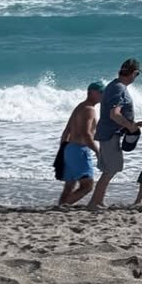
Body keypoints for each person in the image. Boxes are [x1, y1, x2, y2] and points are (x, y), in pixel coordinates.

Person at [88, 60, 140, 210]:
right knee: (111, 169)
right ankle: (94, 202)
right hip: (110, 134)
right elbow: (114, 114)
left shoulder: (115, 86)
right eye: (137, 74)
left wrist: (133, 124)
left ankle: (98, 201)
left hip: (110, 133)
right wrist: (130, 126)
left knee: (110, 169)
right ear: (133, 73)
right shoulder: (118, 88)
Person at [57, 83, 103, 208]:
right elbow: (86, 134)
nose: (103, 95)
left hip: (69, 148)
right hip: (79, 150)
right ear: (91, 93)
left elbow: (67, 130)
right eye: (101, 92)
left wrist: (63, 150)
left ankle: (60, 207)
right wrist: (97, 152)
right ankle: (63, 206)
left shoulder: (80, 106)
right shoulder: (89, 110)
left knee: (69, 186)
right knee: (87, 185)